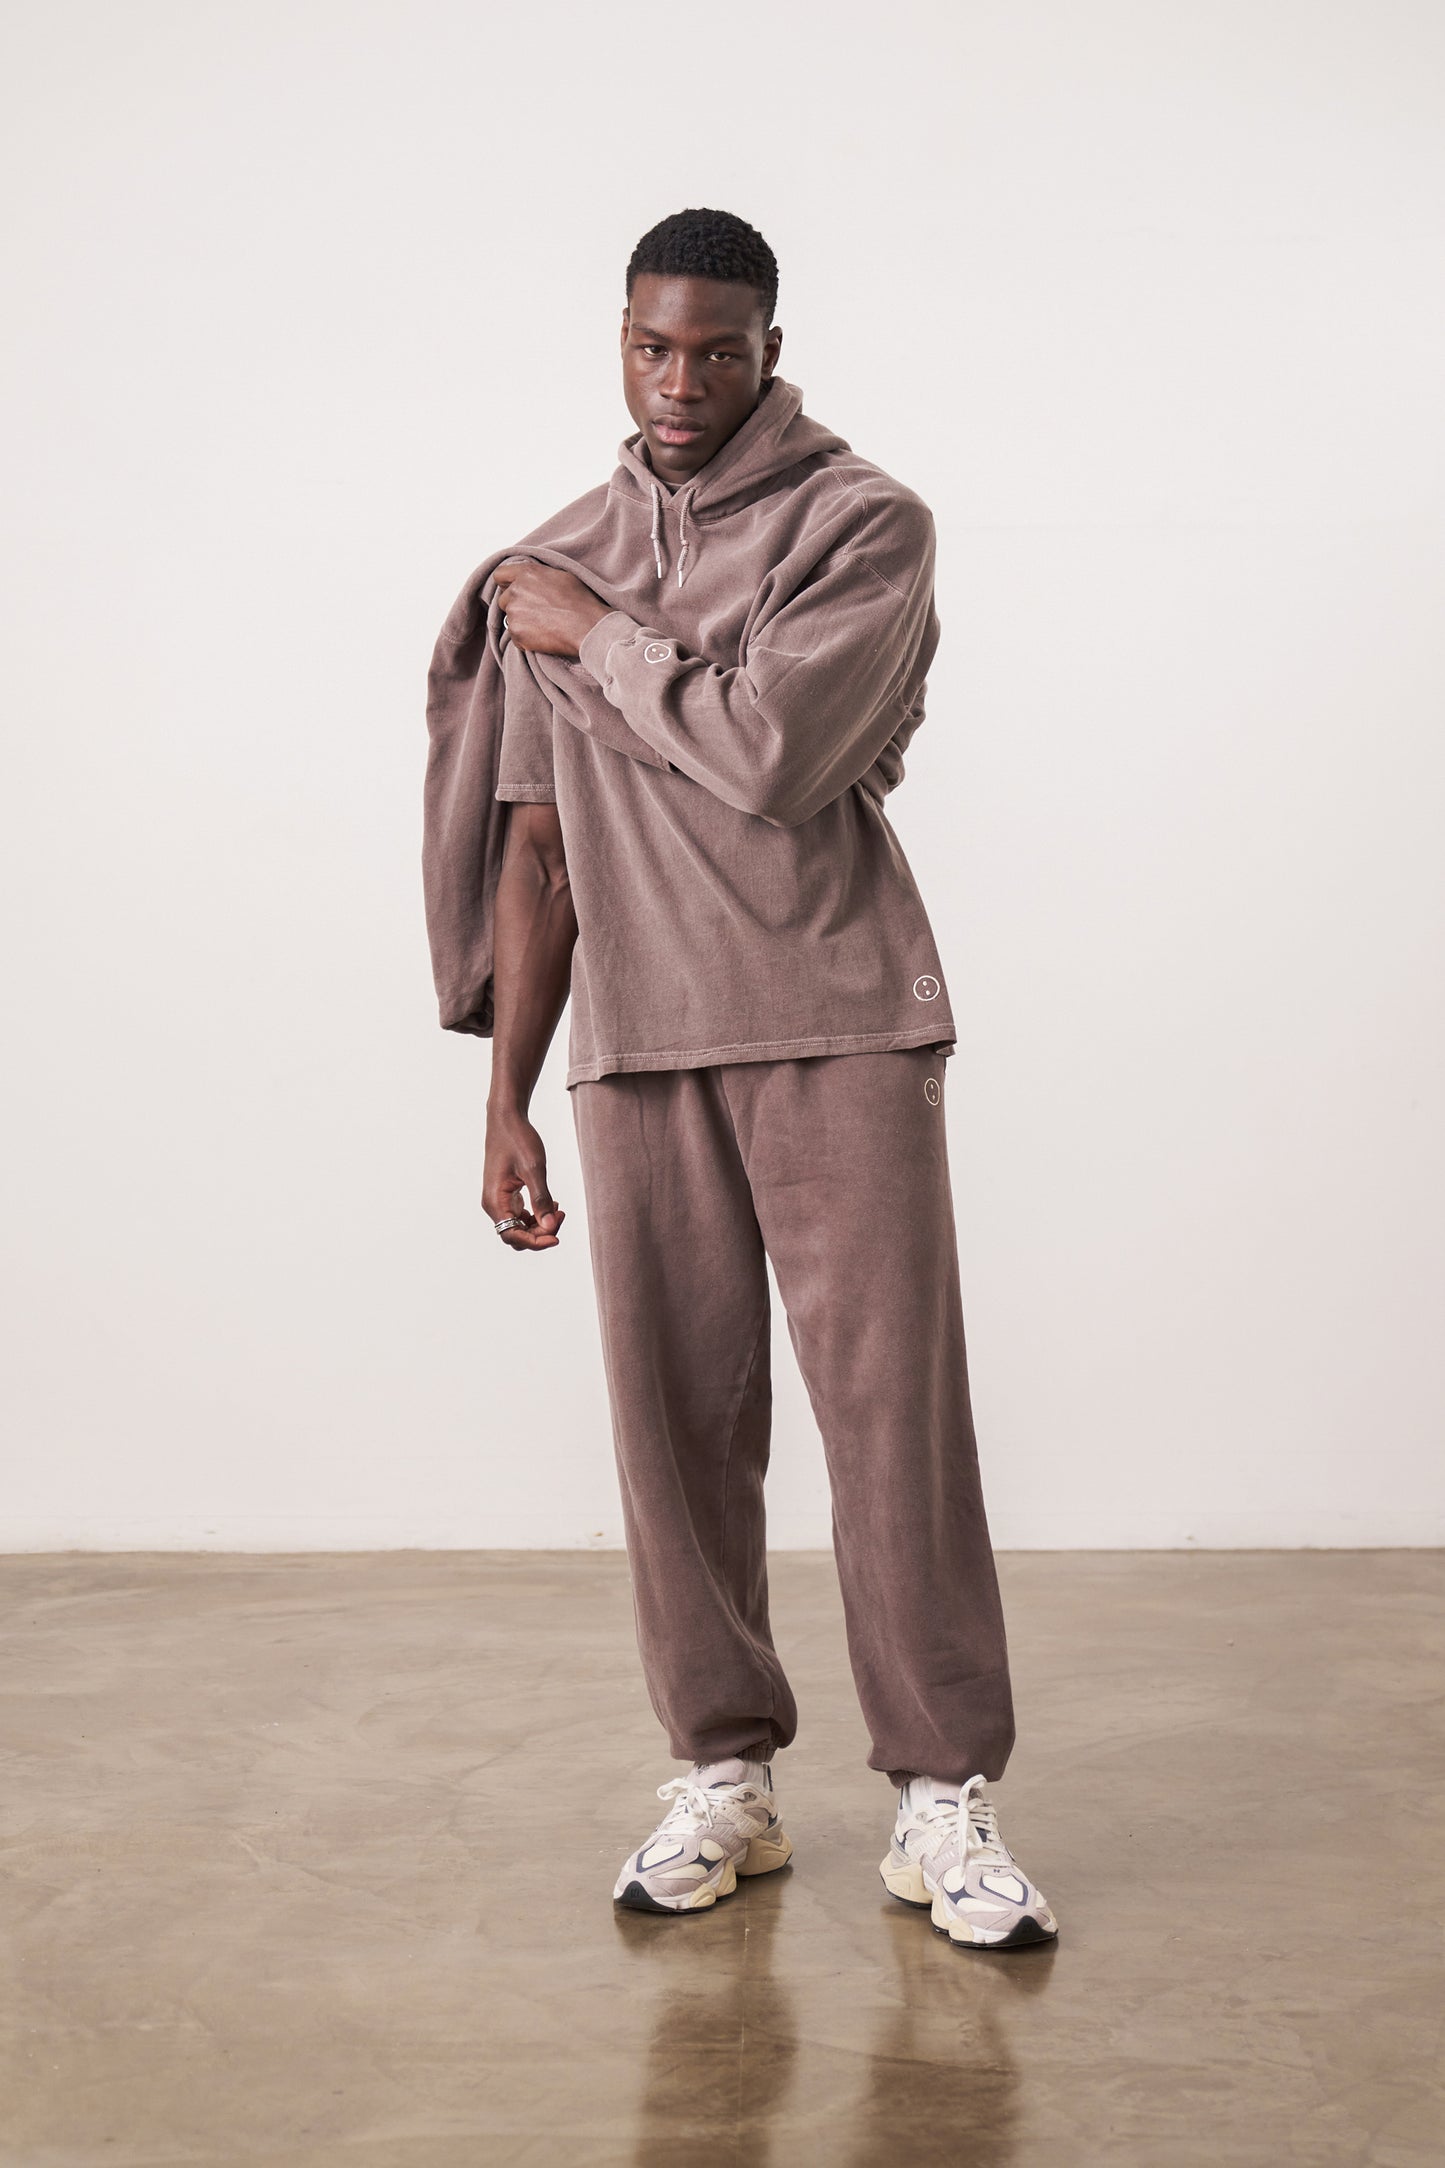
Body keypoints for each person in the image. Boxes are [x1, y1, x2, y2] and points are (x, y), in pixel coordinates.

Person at [423, 207, 1058, 1950]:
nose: (680, 379)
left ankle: (941, 1794)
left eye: (716, 348)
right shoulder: (558, 558)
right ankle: (723, 1774)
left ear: (771, 349)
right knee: (674, 1428)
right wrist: (506, 1098)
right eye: (651, 345)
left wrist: (600, 641)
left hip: (836, 1013)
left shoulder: (862, 523)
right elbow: (535, 847)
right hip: (637, 1041)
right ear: (617, 341)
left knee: (889, 1423)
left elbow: (776, 752)